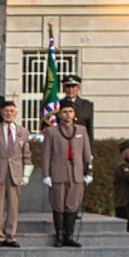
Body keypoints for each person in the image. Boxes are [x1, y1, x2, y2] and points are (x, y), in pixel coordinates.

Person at [41, 102, 92, 247]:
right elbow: (46, 155)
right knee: (58, 204)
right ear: (59, 114)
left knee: (72, 205)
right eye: (64, 112)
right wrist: (46, 174)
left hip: (76, 172)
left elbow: (87, 153)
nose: (67, 114)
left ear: (74, 114)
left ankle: (69, 235)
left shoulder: (81, 130)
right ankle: (59, 235)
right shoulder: (52, 131)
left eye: (70, 111)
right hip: (58, 172)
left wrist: (89, 171)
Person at [0, 100, 31, 248]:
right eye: (6, 111)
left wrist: (26, 173)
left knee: (13, 205)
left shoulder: (23, 131)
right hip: (0, 171)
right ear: (1, 113)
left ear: (16, 113)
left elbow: (26, 154)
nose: (9, 113)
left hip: (16, 171)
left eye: (11, 111)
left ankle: (11, 235)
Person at [58, 75, 94, 142]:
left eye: (73, 87)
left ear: (78, 88)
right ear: (64, 89)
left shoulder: (87, 105)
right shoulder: (58, 105)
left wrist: (90, 149)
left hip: (81, 142)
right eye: (68, 87)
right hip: (62, 142)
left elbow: (89, 129)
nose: (71, 90)